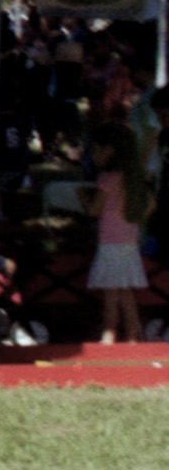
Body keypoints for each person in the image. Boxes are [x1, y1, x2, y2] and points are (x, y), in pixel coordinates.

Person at [86, 122, 151, 343]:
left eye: (96, 149)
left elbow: (95, 210)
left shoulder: (107, 179)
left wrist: (84, 198)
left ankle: (109, 333)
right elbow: (151, 204)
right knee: (125, 292)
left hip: (110, 243)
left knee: (111, 293)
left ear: (109, 150)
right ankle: (133, 334)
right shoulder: (133, 178)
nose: (93, 155)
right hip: (129, 241)